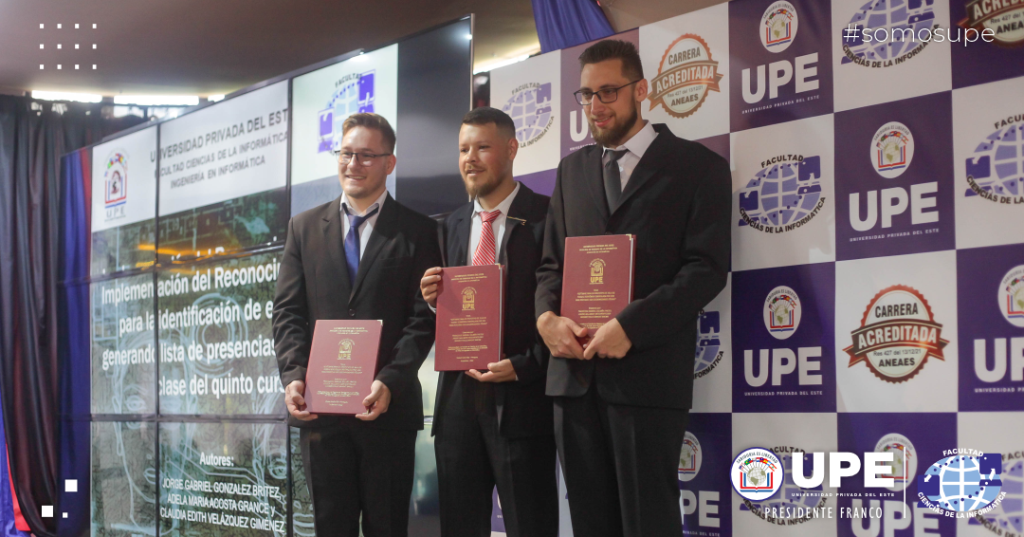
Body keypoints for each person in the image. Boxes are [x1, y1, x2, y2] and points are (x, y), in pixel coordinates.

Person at [534, 39, 731, 537]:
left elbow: (705, 269)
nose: (595, 107)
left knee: (648, 522)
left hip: (645, 379)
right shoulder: (571, 170)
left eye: (608, 92)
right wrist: (546, 319)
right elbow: (550, 267)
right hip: (573, 381)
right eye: (585, 95)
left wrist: (631, 327)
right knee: (588, 523)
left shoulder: (696, 167)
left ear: (640, 89)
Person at [273, 113, 441, 537]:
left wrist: (390, 381)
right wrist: (294, 376)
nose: (353, 164)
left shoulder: (419, 232)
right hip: (321, 415)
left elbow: (422, 320)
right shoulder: (304, 228)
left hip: (387, 412)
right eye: (346, 153)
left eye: (366, 155)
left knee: (387, 528)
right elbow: (288, 313)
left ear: (390, 163)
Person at [420, 107, 558, 537]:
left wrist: (525, 365)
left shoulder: (550, 216)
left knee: (530, 525)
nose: (470, 159)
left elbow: (566, 306)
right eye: (463, 149)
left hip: (524, 403)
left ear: (512, 149)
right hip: (457, 406)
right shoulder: (448, 226)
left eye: (482, 147)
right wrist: (432, 301)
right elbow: (450, 312)